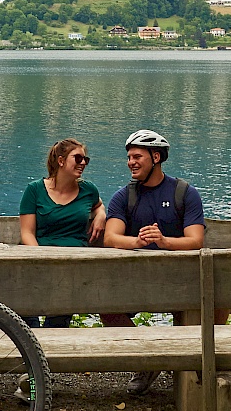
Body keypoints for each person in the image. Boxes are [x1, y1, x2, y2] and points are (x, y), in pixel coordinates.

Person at [102, 128, 206, 395]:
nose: (131, 162)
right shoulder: (124, 196)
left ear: (156, 157)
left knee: (218, 301)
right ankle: (149, 360)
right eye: (128, 157)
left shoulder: (184, 192)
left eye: (137, 156)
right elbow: (111, 237)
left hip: (181, 284)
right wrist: (137, 242)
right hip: (136, 284)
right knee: (105, 307)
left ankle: (198, 363)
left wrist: (164, 242)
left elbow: (195, 240)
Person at [19, 137, 106, 328]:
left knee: (57, 320)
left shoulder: (88, 190)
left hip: (73, 268)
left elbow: (99, 205)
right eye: (77, 158)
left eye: (86, 160)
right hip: (39, 262)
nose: (83, 163)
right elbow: (27, 233)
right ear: (60, 161)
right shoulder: (34, 190)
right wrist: (42, 259)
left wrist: (100, 214)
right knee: (26, 317)